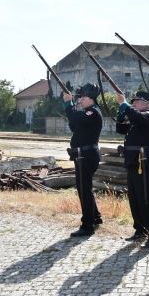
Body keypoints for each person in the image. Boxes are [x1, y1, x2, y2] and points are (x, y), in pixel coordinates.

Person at [115, 91, 149, 248]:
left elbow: (137, 116)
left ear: (146, 104)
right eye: (132, 102)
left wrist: (125, 105)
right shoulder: (136, 120)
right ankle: (140, 229)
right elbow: (121, 129)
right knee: (134, 198)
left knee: (145, 199)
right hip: (133, 162)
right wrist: (121, 113)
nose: (133, 104)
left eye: (137, 102)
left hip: (144, 162)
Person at [63, 83, 103, 237]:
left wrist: (68, 103)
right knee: (85, 189)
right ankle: (95, 217)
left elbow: (74, 118)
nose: (80, 101)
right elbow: (74, 124)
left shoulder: (92, 112)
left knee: (84, 190)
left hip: (86, 156)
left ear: (91, 100)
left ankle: (87, 225)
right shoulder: (87, 113)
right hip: (82, 156)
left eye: (83, 98)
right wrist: (72, 107)